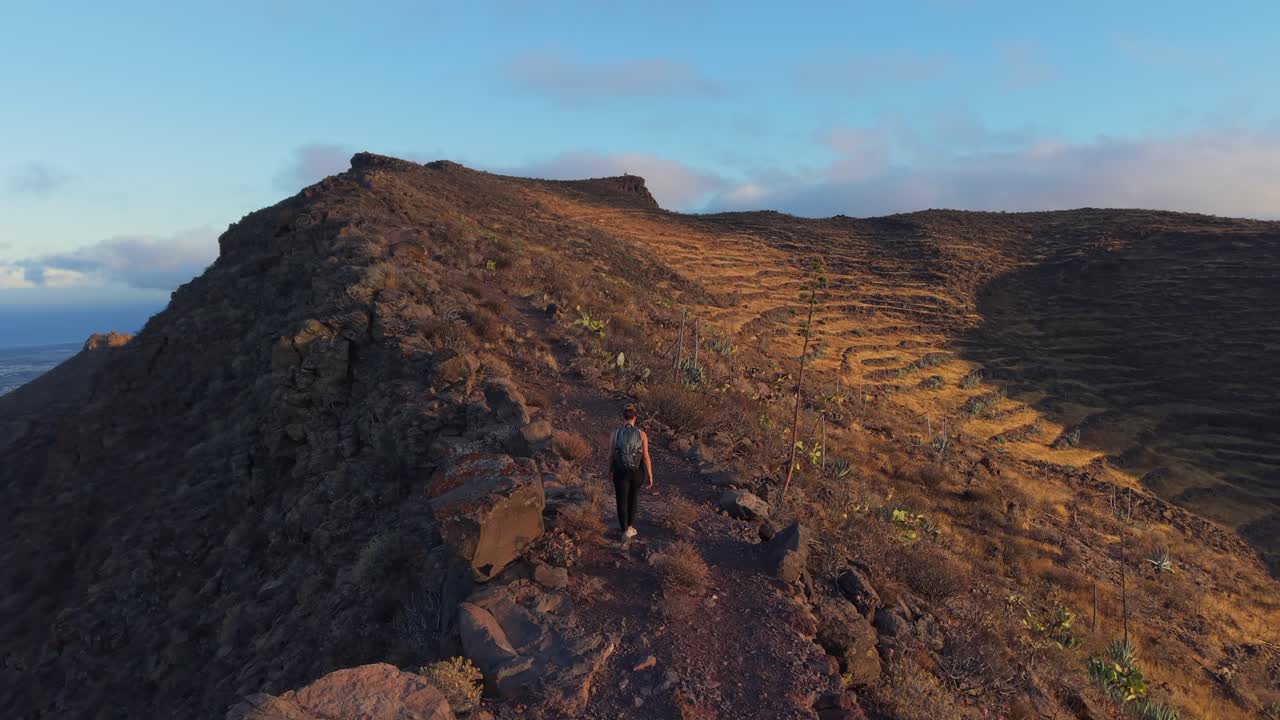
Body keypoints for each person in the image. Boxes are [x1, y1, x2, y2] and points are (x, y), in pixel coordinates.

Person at [607, 402, 653, 539]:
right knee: (633, 498)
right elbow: (645, 456)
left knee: (621, 499)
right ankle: (630, 528)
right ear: (635, 418)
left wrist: (610, 470)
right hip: (637, 472)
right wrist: (650, 475)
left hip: (620, 471)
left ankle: (623, 531)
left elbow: (610, 455)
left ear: (624, 417)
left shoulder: (615, 433)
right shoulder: (642, 434)